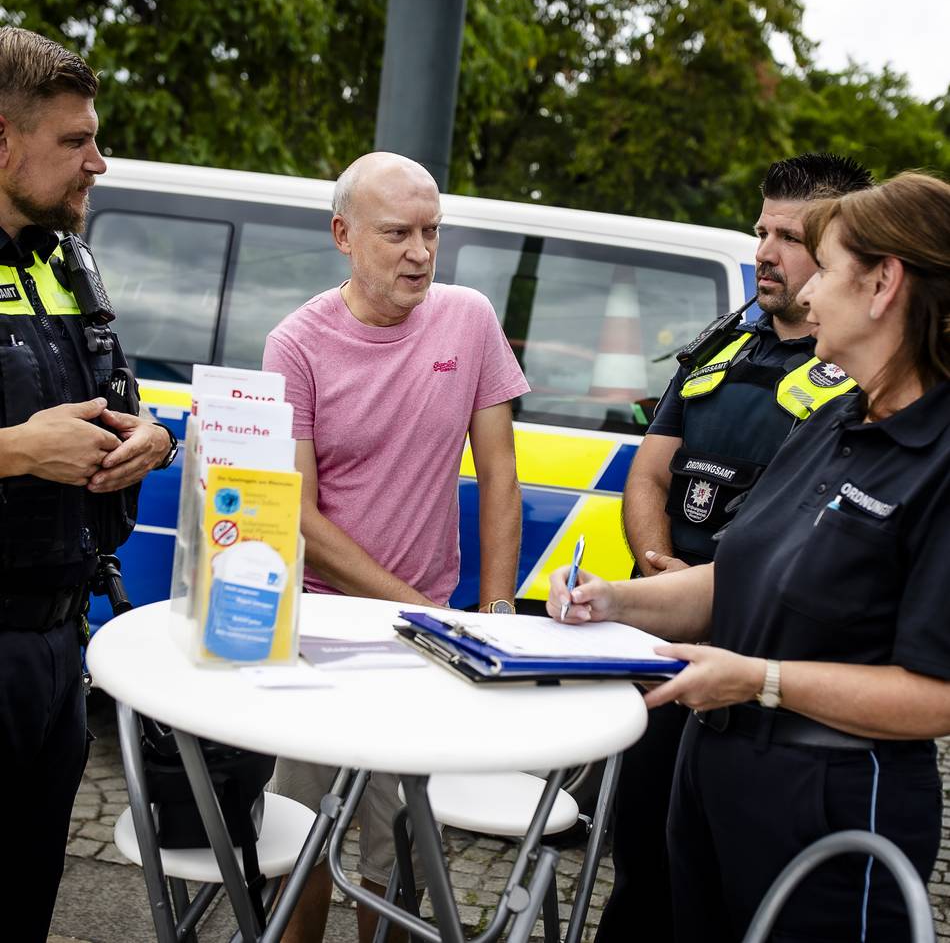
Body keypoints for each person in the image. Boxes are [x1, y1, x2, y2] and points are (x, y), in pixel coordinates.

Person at [550, 171, 950, 942]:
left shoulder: (938, 458)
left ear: (882, 285)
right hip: (717, 771)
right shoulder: (836, 417)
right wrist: (616, 601)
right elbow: (737, 579)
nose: (807, 296)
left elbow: (936, 696)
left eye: (825, 268)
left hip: (829, 801)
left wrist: (761, 680)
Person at [598, 153, 873, 943]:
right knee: (644, 863)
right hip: (665, 640)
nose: (764, 250)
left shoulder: (852, 373)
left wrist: (712, 596)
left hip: (758, 673)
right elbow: (650, 474)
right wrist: (663, 572)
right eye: (760, 229)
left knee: (730, 896)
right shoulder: (725, 342)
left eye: (789, 236)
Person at [262, 150, 529, 942]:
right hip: (317, 630)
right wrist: (417, 607)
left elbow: (502, 477)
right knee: (302, 835)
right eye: (397, 234)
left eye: (432, 233)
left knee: (400, 843)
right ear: (343, 234)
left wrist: (497, 614)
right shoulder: (296, 343)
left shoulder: (469, 317)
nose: (420, 252)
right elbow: (299, 514)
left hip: (428, 637)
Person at [0, 27, 176, 943]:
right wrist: (18, 451)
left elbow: (120, 400)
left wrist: (151, 440)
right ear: (3, 143)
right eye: (75, 142)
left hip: (58, 642)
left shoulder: (63, 260)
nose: (99, 162)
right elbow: (27, 440)